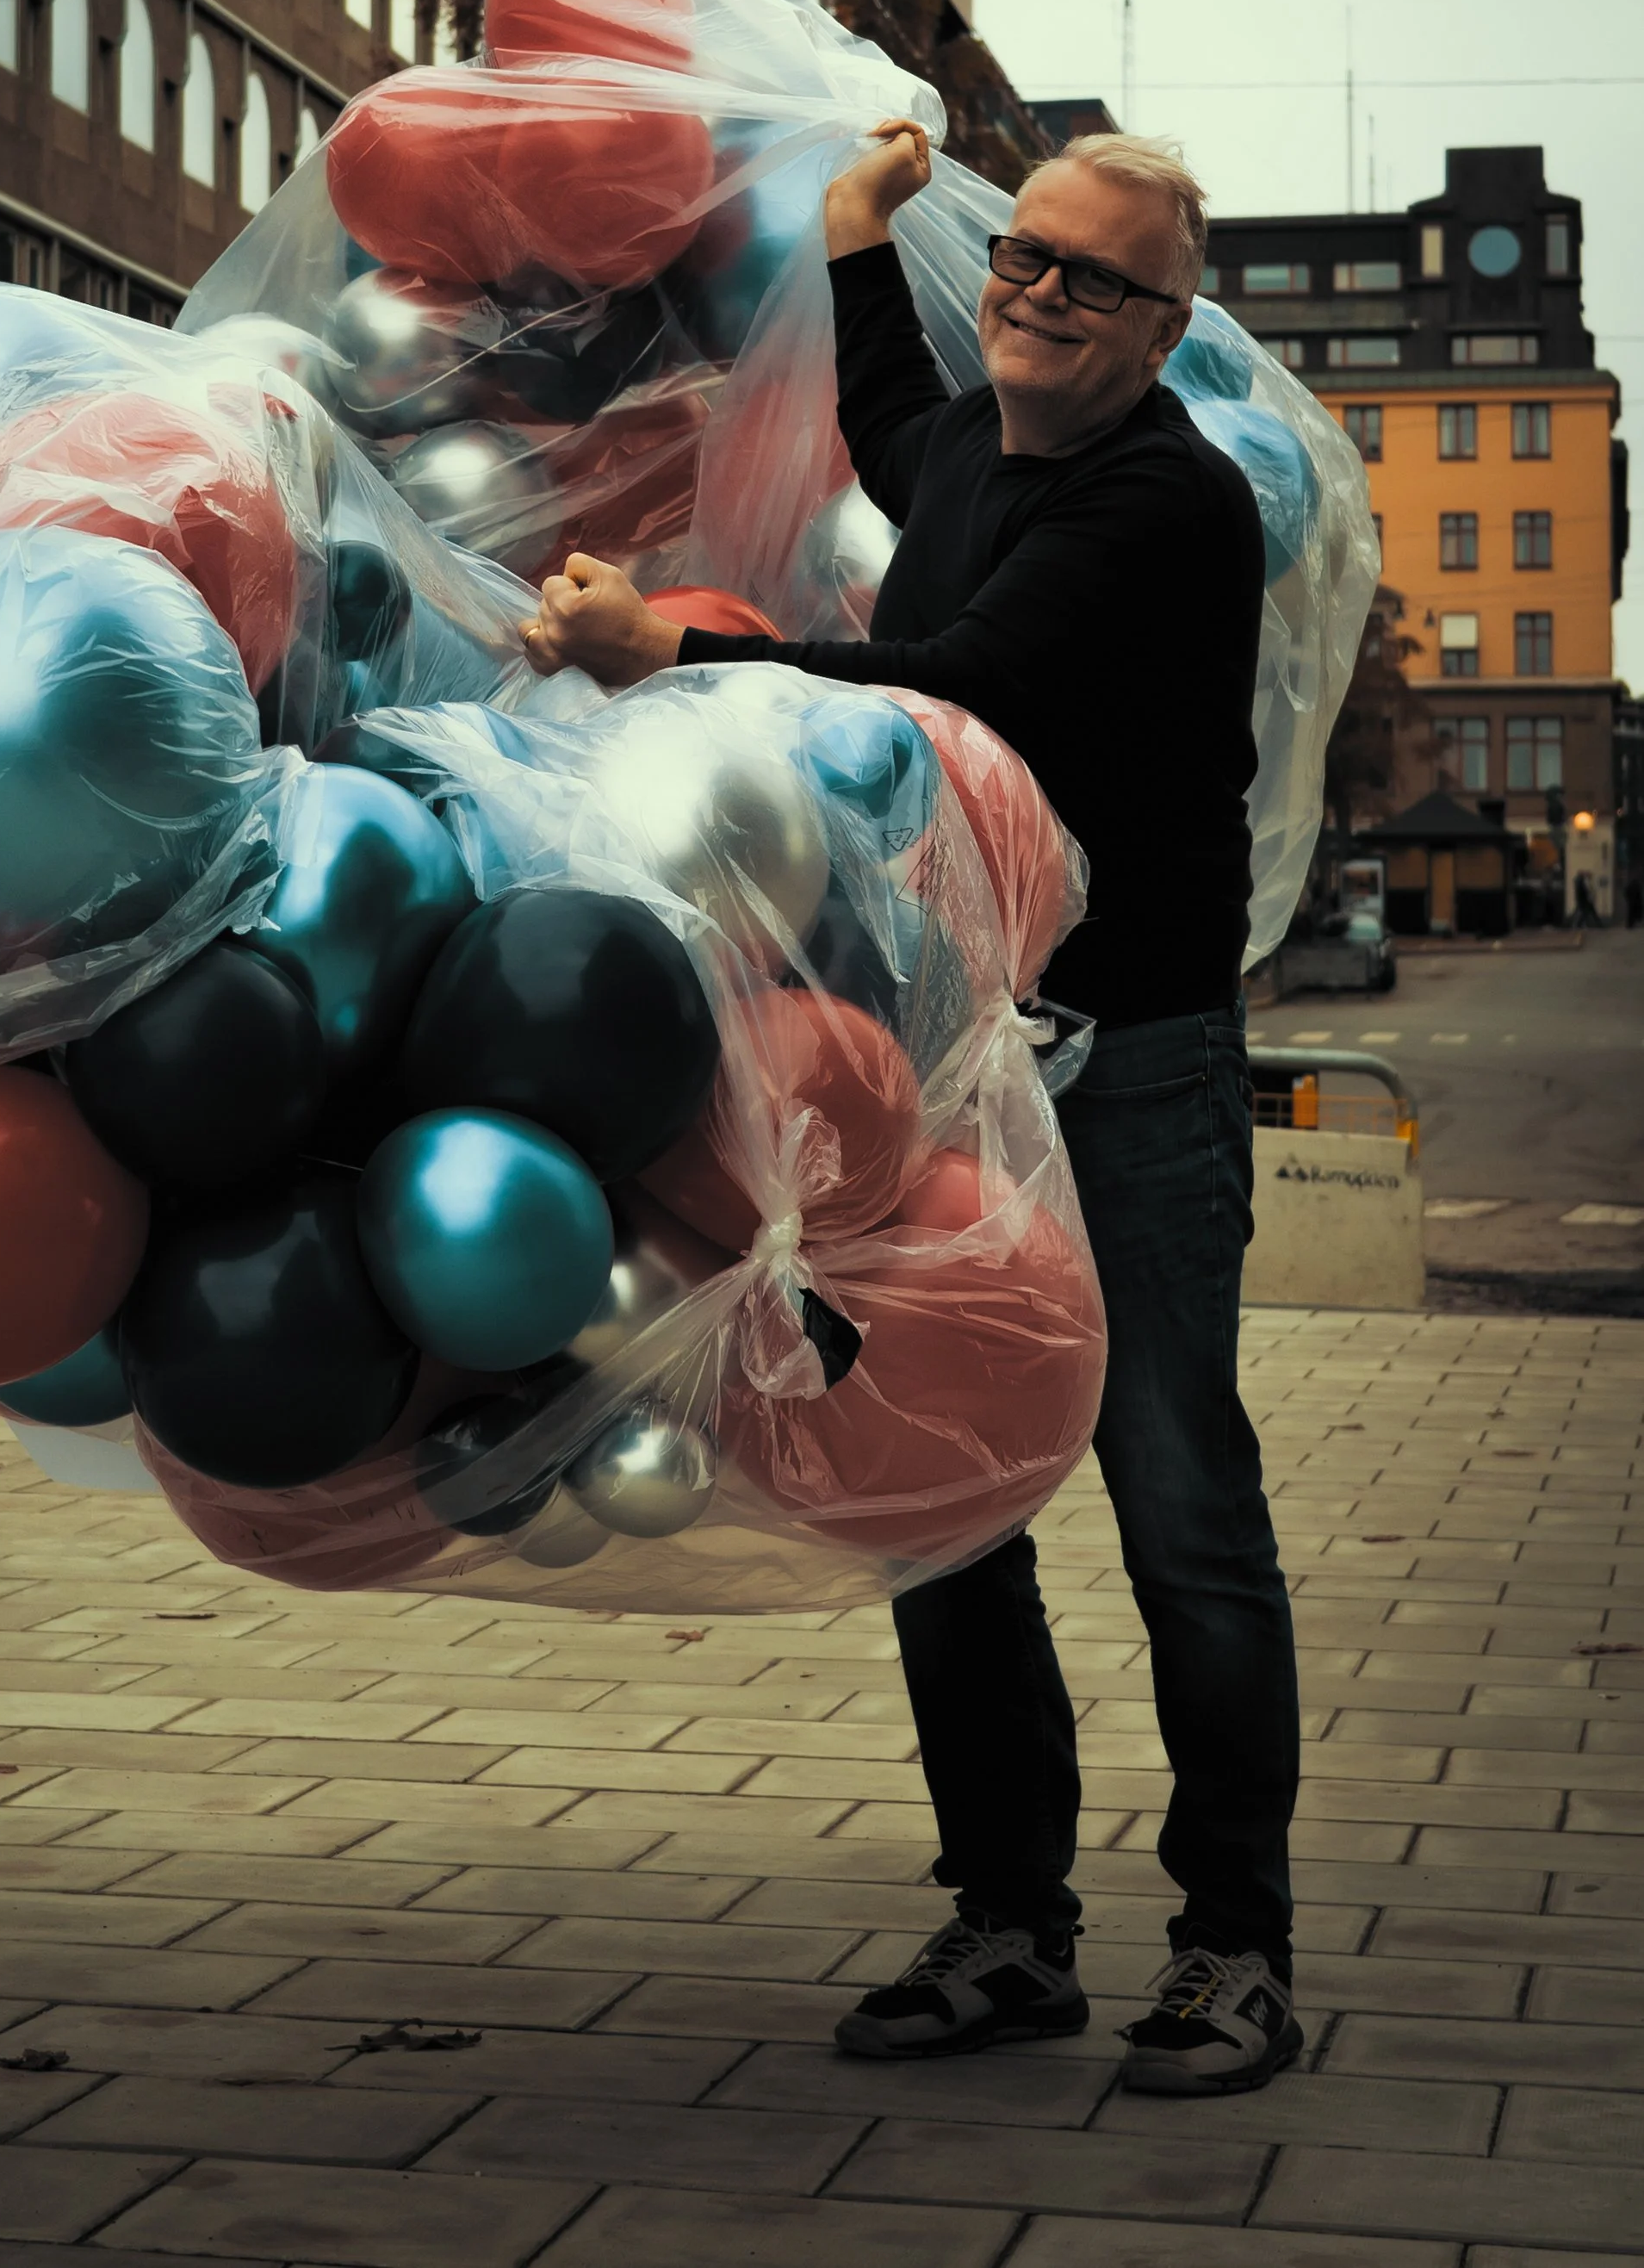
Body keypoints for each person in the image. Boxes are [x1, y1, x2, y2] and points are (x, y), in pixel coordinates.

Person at [523, 127, 1300, 2099]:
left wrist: (667, 650)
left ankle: (1234, 1945)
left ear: (1167, 325)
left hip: (1130, 1071)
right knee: (946, 1492)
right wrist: (862, 236)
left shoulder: (1170, 506)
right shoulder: (977, 443)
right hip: (948, 1063)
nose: (1038, 292)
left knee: (1175, 1498)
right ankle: (1008, 1927)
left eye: (1093, 280)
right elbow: (891, 421)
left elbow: (946, 688)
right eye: (1023, 256)